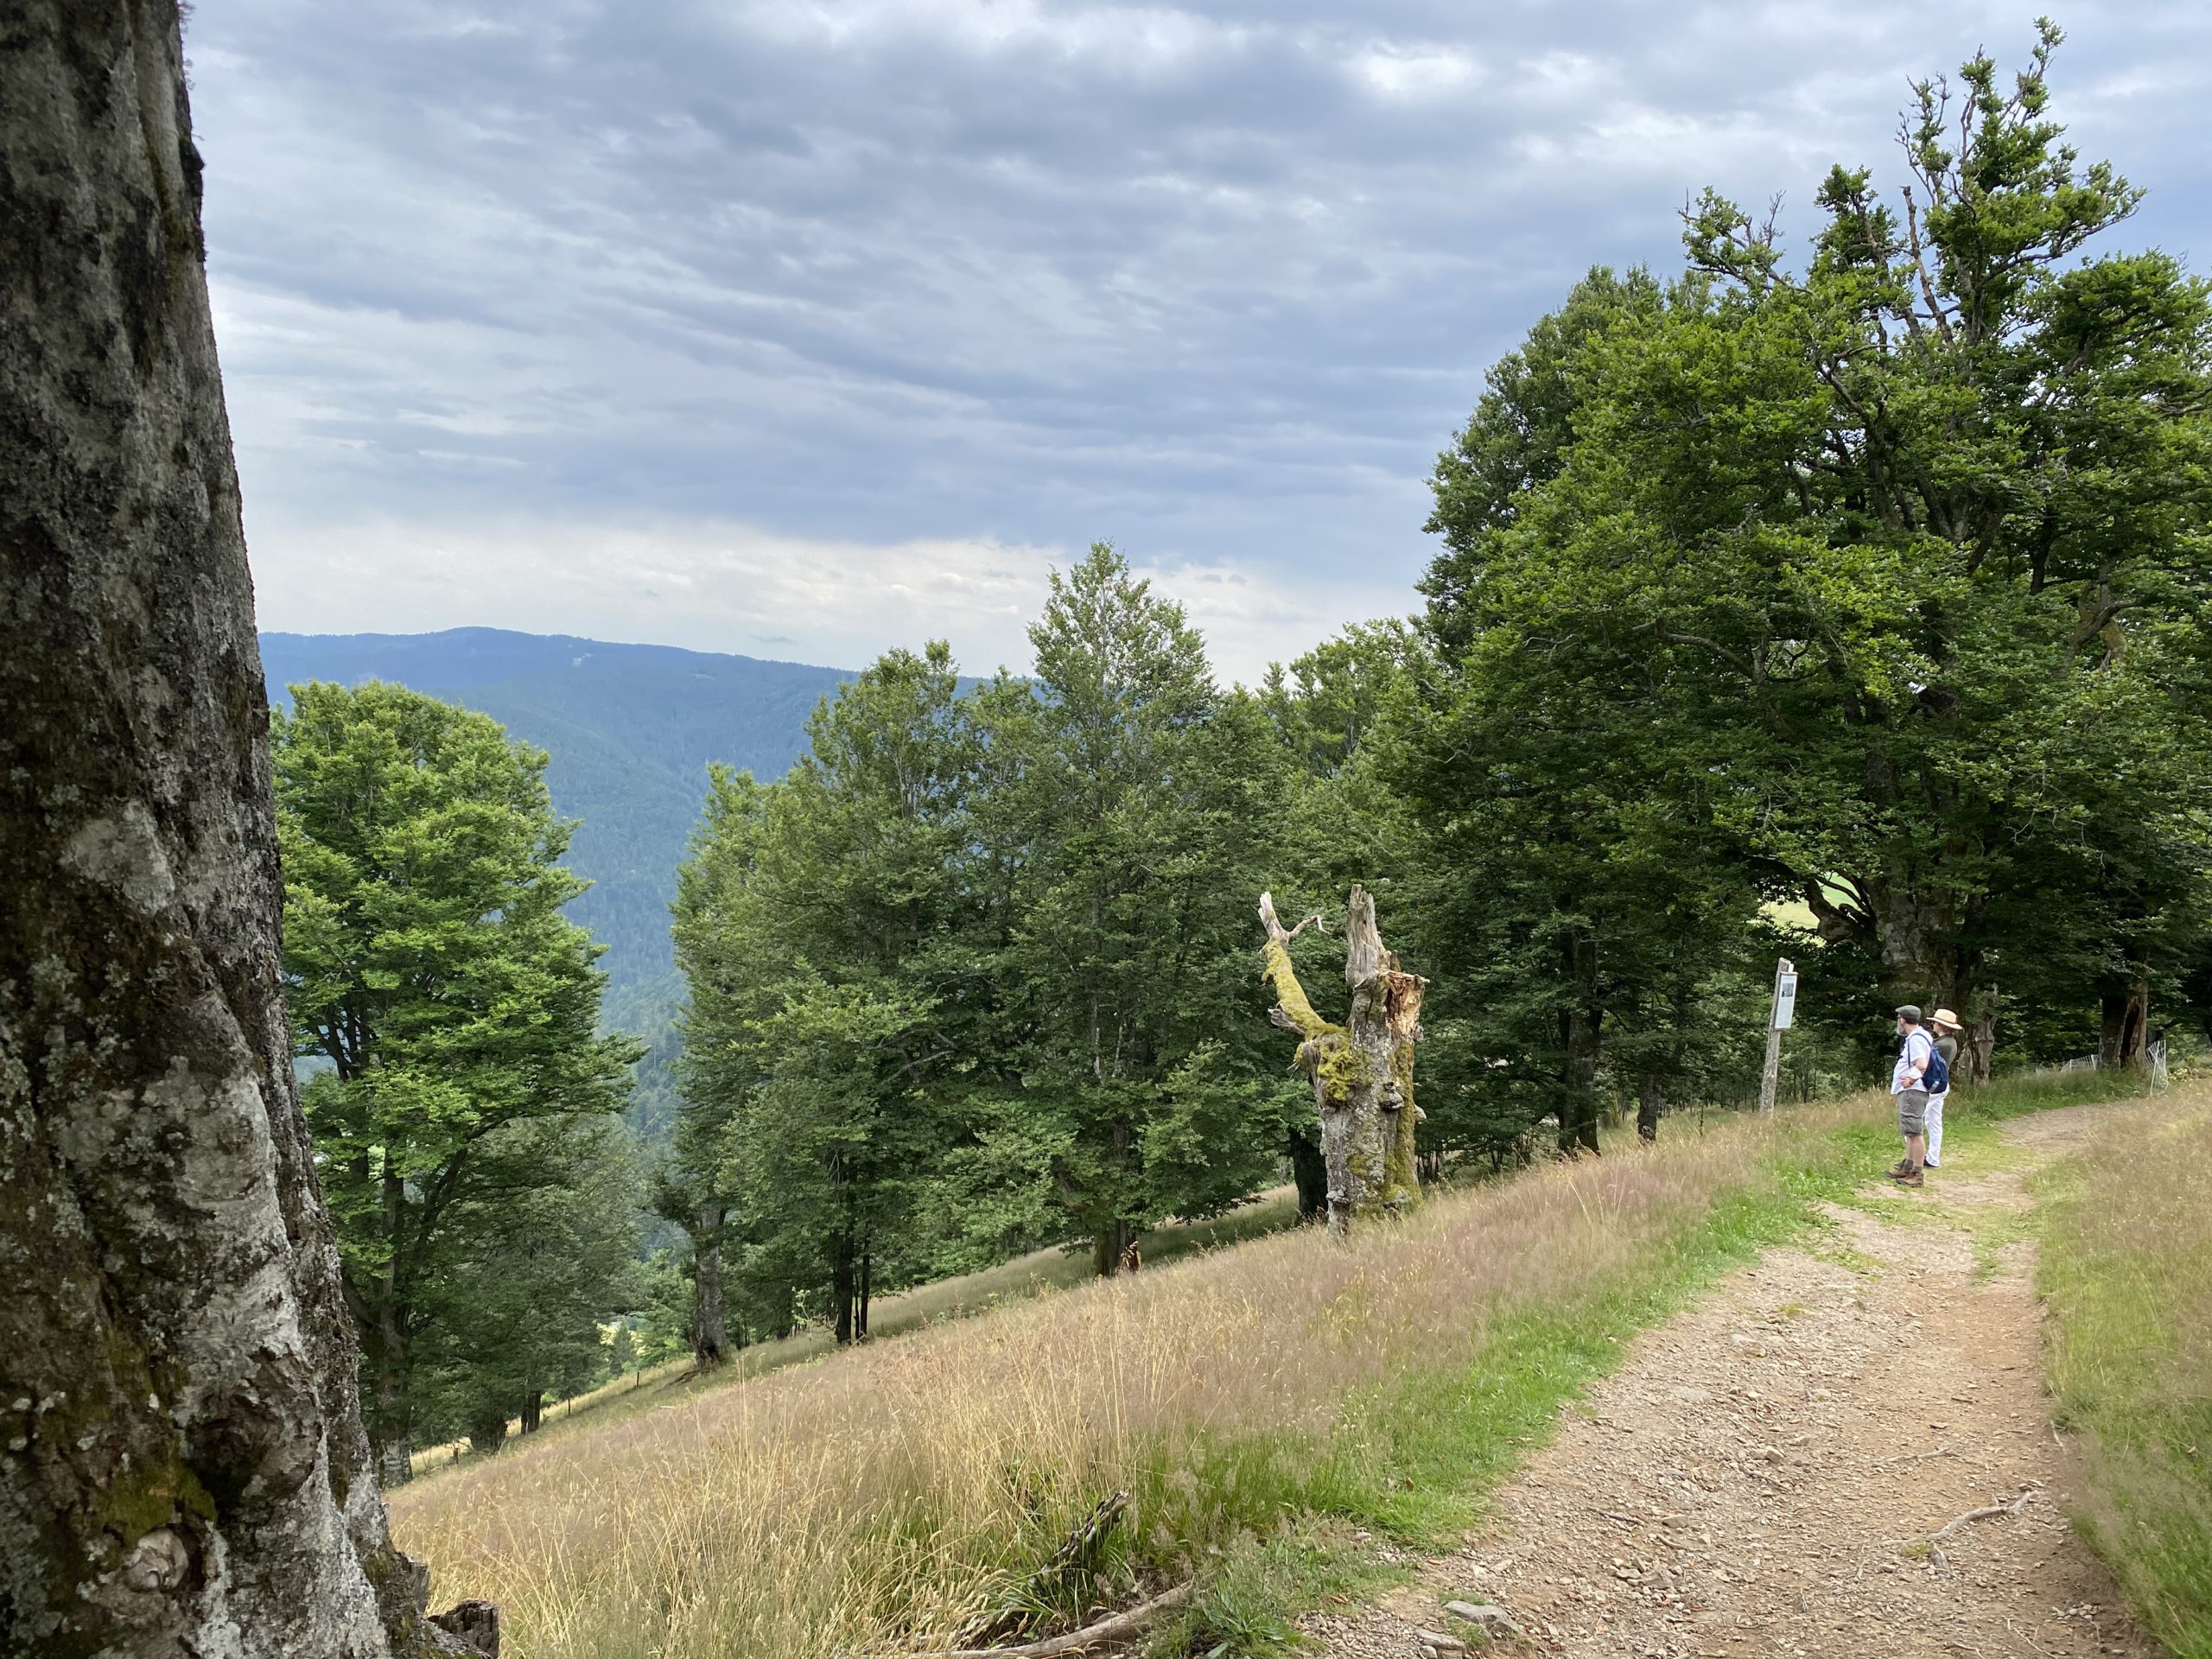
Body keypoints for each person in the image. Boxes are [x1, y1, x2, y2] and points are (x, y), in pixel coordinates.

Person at [1889, 1005, 1935, 1187]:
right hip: (1914, 1091)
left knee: (1915, 1132)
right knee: (1910, 1131)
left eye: (1899, 1017)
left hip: (1913, 1091)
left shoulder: (1916, 1039)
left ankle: (1917, 1173)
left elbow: (1922, 1064)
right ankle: (1907, 1167)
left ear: (1902, 1020)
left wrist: (1910, 1079)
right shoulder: (1922, 1036)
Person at [1924, 1008, 1962, 1169]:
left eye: (1935, 1022)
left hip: (1934, 1085)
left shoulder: (1942, 1044)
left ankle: (1914, 1157)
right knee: (1934, 1122)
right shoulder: (1949, 1042)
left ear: (1941, 1025)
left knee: (1916, 1118)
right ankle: (1932, 1158)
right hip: (1941, 1084)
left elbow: (1925, 1056)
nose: (1933, 1024)